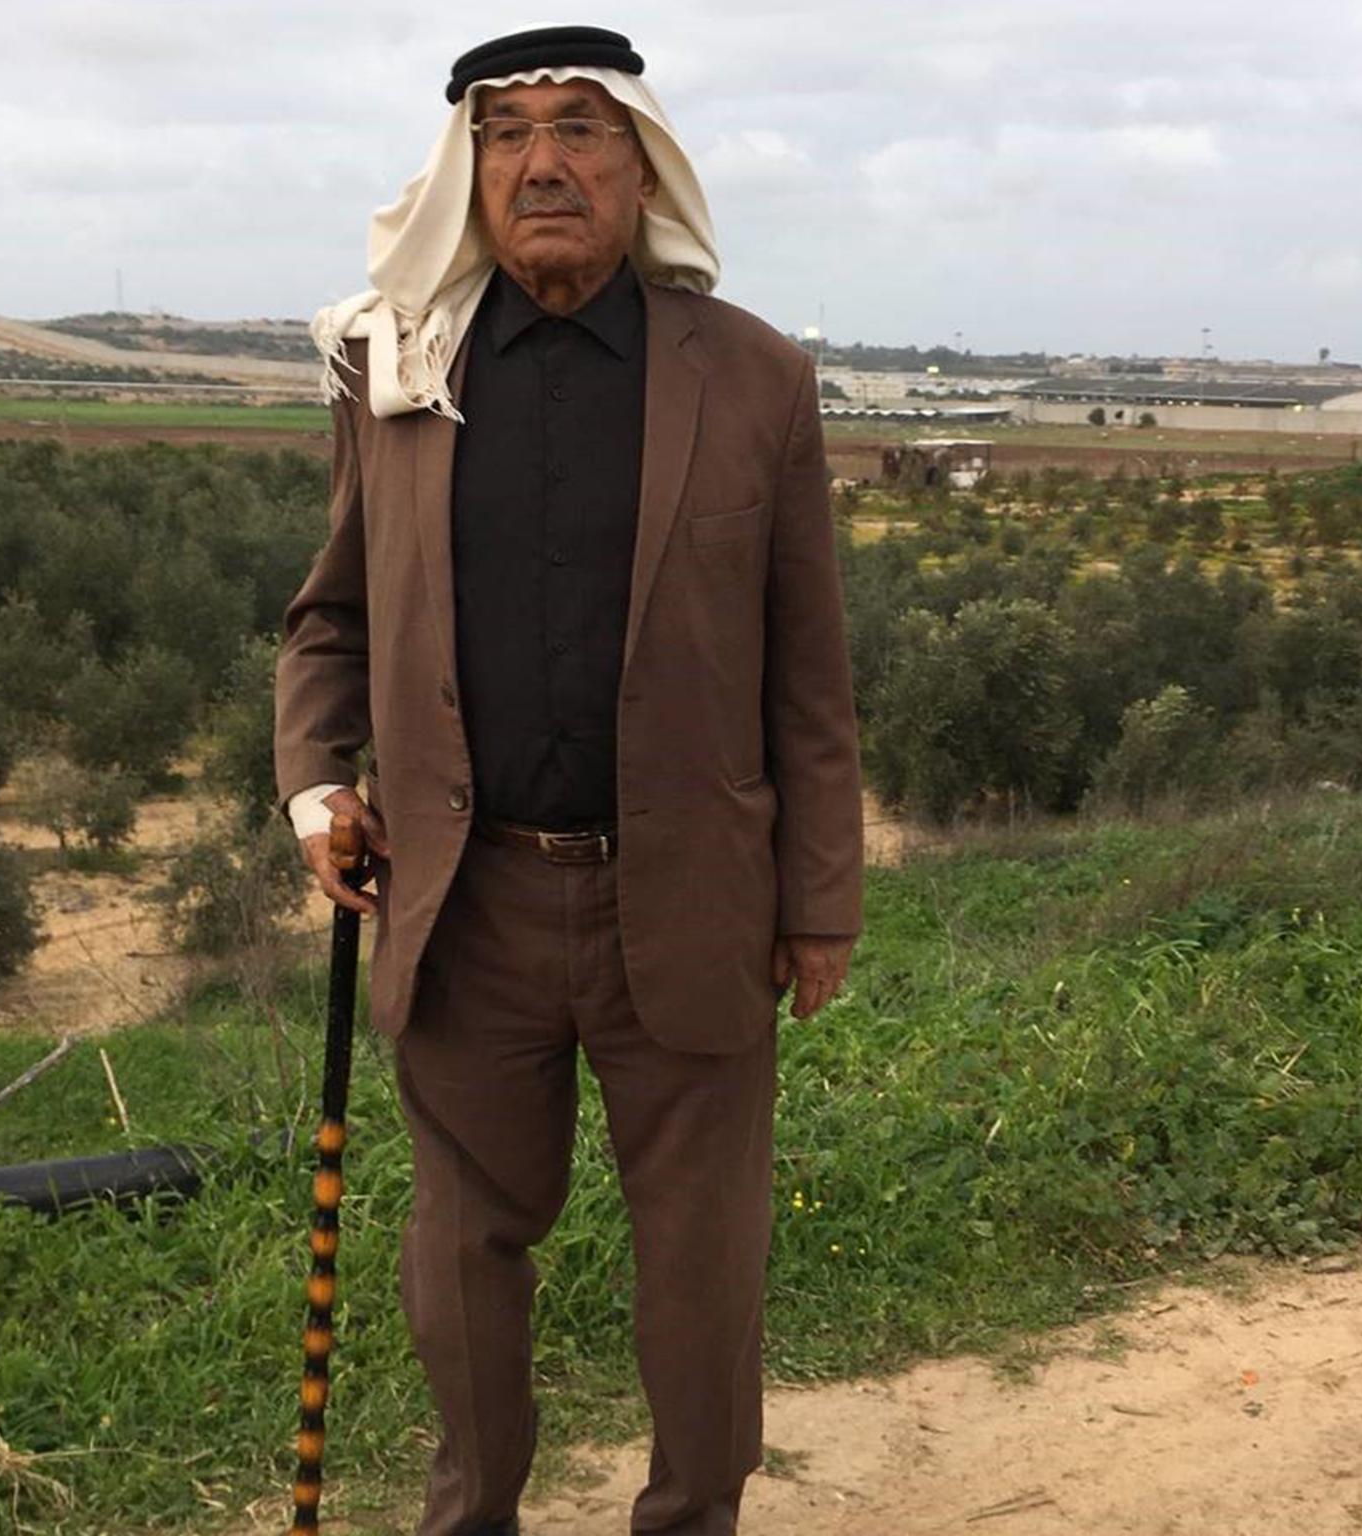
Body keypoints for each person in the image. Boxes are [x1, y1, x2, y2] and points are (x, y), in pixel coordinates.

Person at [273, 25, 862, 1536]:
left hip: (695, 901)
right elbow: (331, 612)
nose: (544, 161)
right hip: (464, 902)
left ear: (640, 162)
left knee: (703, 1268)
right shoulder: (397, 363)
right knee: (464, 1257)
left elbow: (809, 675)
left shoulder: (756, 379)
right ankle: (473, 1517)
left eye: (582, 129)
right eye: (509, 132)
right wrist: (312, 787)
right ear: (468, 168)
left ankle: (694, 1518)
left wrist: (820, 904)